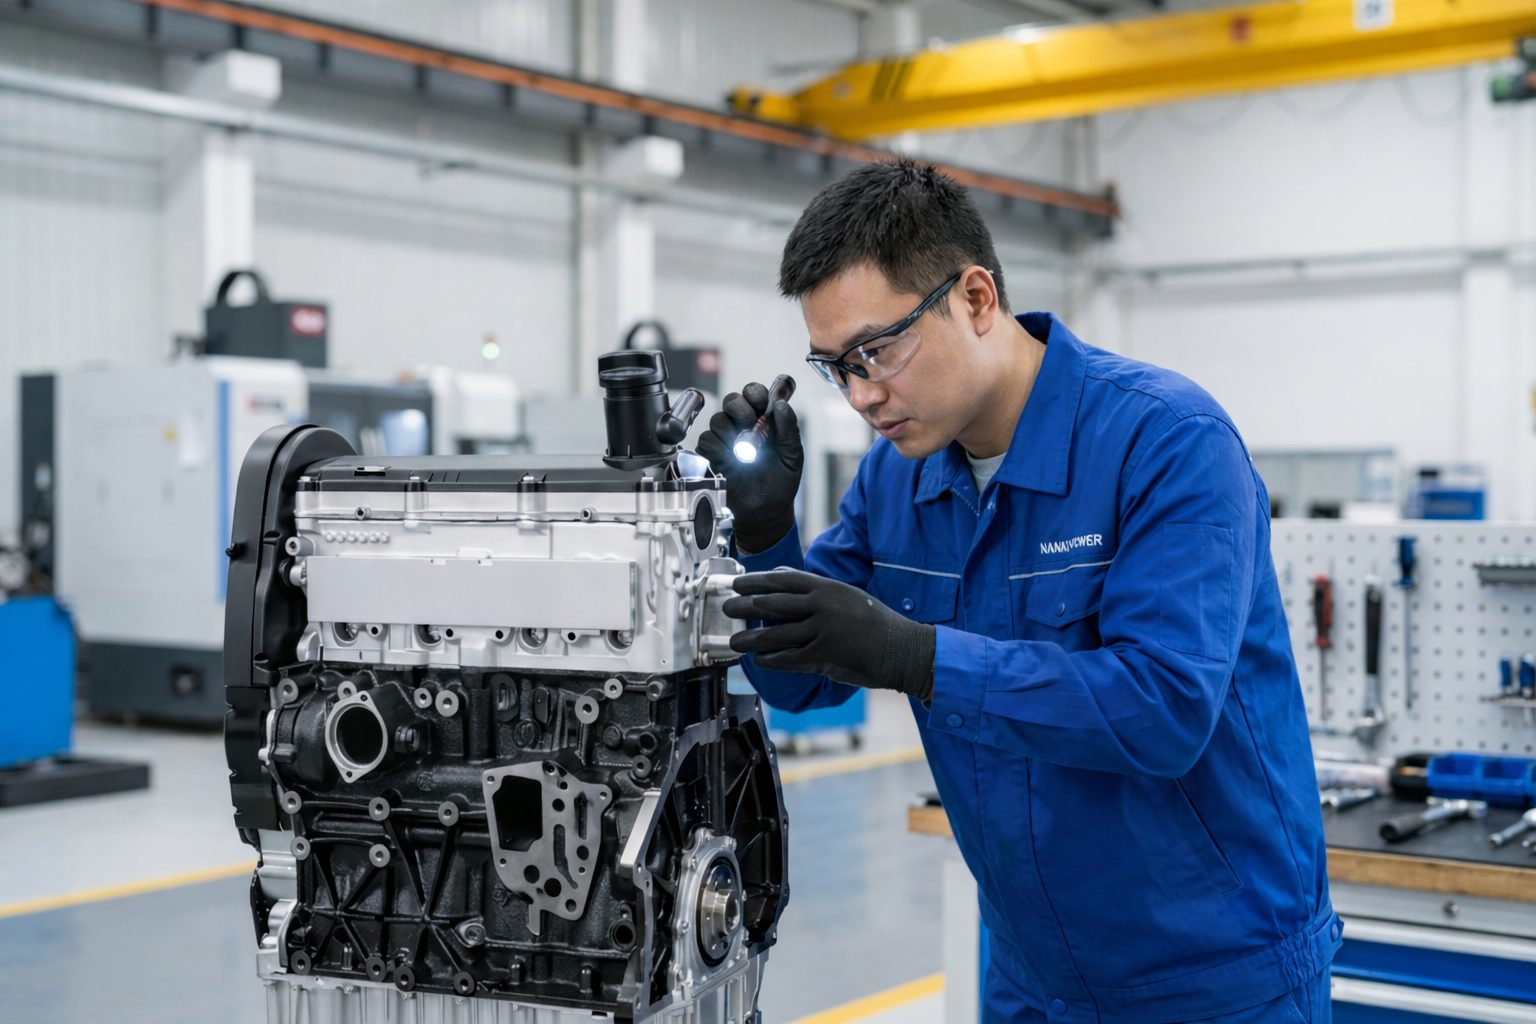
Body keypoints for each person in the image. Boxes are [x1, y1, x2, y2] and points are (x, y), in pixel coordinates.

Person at [696, 159, 1338, 1024]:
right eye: (834, 365)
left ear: (976, 299)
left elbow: (1165, 708)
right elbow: (798, 682)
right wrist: (770, 532)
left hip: (1215, 977)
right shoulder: (898, 481)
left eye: (878, 349)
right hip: (1033, 973)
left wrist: (913, 655)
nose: (860, 394)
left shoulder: (1168, 443)